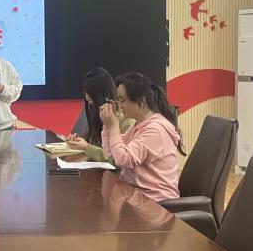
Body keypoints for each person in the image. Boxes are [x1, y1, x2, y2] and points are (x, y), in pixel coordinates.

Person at [100, 72, 186, 202]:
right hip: (137, 196)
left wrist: (113, 128)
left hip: (157, 202)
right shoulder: (139, 125)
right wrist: (107, 127)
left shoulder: (156, 130)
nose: (119, 106)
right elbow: (112, 154)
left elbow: (123, 159)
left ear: (141, 102)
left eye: (122, 101)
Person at [64, 67, 133, 162]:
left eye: (88, 94)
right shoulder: (95, 112)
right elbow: (94, 144)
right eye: (85, 94)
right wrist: (79, 141)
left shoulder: (126, 121)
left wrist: (87, 147)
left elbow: (117, 158)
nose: (87, 98)